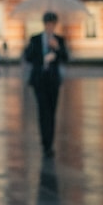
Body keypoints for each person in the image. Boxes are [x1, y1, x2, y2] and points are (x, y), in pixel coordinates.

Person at [24, 11, 69, 158]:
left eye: (53, 24)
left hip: (53, 81)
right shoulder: (35, 39)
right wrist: (42, 57)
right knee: (43, 112)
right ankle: (45, 143)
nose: (51, 26)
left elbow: (65, 57)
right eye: (48, 24)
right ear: (45, 24)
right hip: (39, 80)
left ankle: (50, 143)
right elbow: (28, 57)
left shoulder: (59, 40)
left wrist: (56, 48)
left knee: (52, 112)